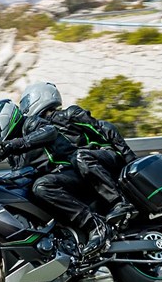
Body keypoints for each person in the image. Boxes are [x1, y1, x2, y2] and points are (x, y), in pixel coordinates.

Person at [0, 98, 109, 257]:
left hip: (71, 172)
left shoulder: (31, 124)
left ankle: (94, 225)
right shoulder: (13, 152)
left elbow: (49, 132)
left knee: (41, 186)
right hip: (56, 183)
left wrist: (15, 144)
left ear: (5, 119)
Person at [19, 81, 137, 223]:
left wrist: (130, 159)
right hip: (87, 169)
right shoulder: (42, 132)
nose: (24, 109)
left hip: (107, 157)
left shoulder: (69, 114)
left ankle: (120, 202)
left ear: (40, 97)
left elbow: (106, 128)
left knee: (80, 156)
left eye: (26, 103)